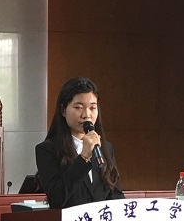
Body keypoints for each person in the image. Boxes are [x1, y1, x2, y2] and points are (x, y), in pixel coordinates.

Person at [34, 77, 123, 209]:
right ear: (63, 110)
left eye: (92, 108)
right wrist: (84, 157)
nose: (87, 115)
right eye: (79, 107)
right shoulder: (47, 150)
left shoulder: (106, 148)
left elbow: (115, 193)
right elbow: (56, 198)